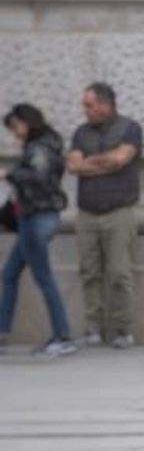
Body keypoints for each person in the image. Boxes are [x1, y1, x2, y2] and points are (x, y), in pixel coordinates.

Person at [65, 82, 142, 348]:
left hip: (119, 211)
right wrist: (105, 163)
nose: (85, 110)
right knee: (89, 272)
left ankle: (123, 330)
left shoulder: (129, 128)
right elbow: (73, 166)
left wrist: (91, 162)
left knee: (119, 272)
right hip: (87, 213)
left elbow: (121, 159)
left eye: (89, 105)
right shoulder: (80, 133)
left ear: (105, 104)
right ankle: (93, 329)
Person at [0, 104, 75, 356]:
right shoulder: (45, 143)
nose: (15, 133)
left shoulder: (40, 146)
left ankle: (63, 335)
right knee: (9, 274)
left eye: (16, 127)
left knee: (43, 278)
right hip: (32, 218)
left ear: (27, 121)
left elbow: (38, 176)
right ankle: (2, 332)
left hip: (37, 218)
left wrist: (9, 174)